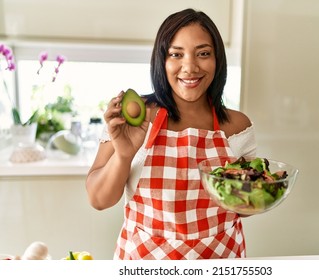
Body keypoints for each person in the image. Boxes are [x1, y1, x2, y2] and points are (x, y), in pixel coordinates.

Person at [86, 8, 257, 260]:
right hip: (145, 263)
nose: (190, 67)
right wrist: (123, 155)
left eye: (203, 53)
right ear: (161, 61)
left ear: (217, 59)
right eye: (176, 54)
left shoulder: (236, 125)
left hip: (220, 260)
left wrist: (255, 197)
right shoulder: (134, 116)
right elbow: (99, 200)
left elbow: (244, 208)